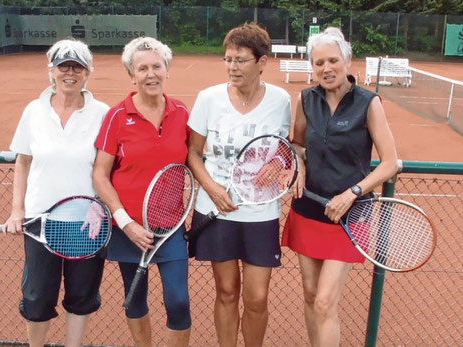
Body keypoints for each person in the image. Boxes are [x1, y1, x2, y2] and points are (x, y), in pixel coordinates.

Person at [282, 27, 398, 347]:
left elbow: (390, 163)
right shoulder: (306, 99)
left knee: (324, 301)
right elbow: (298, 144)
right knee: (309, 294)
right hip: (308, 209)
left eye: (333, 60)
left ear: (347, 60)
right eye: (319, 63)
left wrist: (353, 193)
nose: (326, 68)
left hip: (349, 215)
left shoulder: (368, 103)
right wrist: (299, 162)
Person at [187, 22, 292, 347]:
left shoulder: (281, 101)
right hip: (217, 210)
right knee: (227, 291)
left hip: (261, 213)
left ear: (262, 62)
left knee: (257, 297)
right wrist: (213, 189)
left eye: (241, 60)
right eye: (228, 59)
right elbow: (192, 152)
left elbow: (286, 149)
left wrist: (277, 163)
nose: (232, 67)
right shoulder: (209, 99)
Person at [2, 38, 110, 347]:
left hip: (87, 222)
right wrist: (17, 210)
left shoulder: (102, 113)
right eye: (64, 66)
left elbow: (109, 167)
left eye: (77, 67)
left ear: (88, 71)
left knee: (81, 296)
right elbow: (23, 162)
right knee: (37, 298)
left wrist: (99, 204)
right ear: (52, 71)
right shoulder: (33, 111)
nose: (70, 73)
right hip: (40, 222)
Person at [92, 37, 191, 347]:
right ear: (132, 75)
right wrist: (126, 223)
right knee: (134, 299)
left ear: (167, 70)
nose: (151, 74)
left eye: (156, 66)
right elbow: (100, 174)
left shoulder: (181, 113)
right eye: (142, 68)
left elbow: (197, 159)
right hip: (129, 228)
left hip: (171, 228)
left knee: (178, 301)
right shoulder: (116, 116)